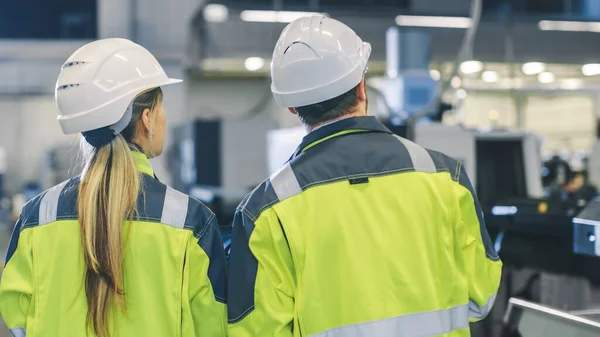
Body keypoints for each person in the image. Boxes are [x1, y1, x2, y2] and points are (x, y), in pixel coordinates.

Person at [228, 16, 502, 337]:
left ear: (292, 107)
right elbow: (481, 296)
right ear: (361, 86)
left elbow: (257, 330)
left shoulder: (265, 211)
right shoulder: (444, 176)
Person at [0, 39, 227, 337]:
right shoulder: (190, 222)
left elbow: (17, 318)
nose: (164, 116)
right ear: (147, 119)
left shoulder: (36, 217)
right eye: (161, 106)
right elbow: (214, 326)